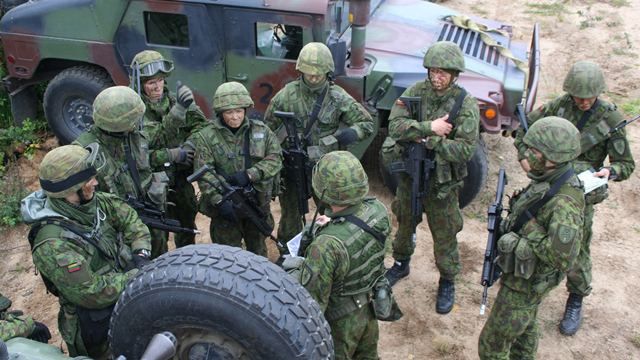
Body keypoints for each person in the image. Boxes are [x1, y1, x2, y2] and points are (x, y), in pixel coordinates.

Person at [513, 61, 635, 335]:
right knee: (529, 231)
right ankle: (527, 284)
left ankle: (576, 296)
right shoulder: (559, 106)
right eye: (578, 96)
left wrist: (609, 171)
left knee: (575, 249)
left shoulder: (610, 121)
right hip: (544, 188)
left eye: (588, 97)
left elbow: (625, 164)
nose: (582, 102)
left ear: (598, 93)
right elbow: (526, 128)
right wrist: (524, 156)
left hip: (579, 196)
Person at [20, 144, 152, 358]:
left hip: (126, 297)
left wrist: (141, 254)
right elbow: (91, 293)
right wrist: (138, 276)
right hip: (96, 325)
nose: (95, 183)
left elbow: (130, 221)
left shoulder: (94, 202)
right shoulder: (53, 244)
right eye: (88, 180)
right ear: (69, 190)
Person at [384, 41, 479, 314]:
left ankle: (447, 279)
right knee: (404, 222)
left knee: (445, 234)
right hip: (410, 178)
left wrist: (430, 142)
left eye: (443, 73)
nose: (436, 78)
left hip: (442, 186)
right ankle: (401, 263)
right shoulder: (416, 92)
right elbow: (394, 126)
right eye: (433, 71)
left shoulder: (465, 103)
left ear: (454, 75)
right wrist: (429, 128)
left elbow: (464, 151)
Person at [478, 117, 585, 359]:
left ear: (553, 157)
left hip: (526, 284)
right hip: (524, 276)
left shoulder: (564, 203)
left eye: (535, 151)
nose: (529, 155)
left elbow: (562, 258)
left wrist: (531, 229)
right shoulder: (552, 177)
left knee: (491, 346)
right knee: (525, 331)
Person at [264, 42, 374, 245]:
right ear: (300, 71)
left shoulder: (337, 97)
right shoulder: (287, 95)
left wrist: (350, 133)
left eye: (318, 74)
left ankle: (330, 248)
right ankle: (289, 251)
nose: (313, 78)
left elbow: (366, 123)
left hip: (326, 168)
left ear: (328, 72)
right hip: (293, 167)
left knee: (331, 213)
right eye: (308, 73)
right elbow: (267, 129)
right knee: (290, 215)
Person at [297, 151, 394, 360]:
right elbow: (356, 232)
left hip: (340, 323)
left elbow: (312, 307)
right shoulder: (378, 210)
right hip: (369, 308)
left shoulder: (325, 246)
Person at [74, 86, 184, 258]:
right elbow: (79, 203)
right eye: (133, 119)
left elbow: (161, 133)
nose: (138, 122)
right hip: (120, 233)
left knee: (160, 258)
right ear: (118, 123)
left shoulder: (134, 134)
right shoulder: (85, 153)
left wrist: (178, 113)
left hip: (151, 214)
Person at [189, 82, 282, 257]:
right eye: (229, 112)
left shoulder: (261, 131)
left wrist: (250, 174)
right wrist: (220, 201)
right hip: (226, 210)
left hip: (256, 204)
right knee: (227, 258)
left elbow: (276, 158)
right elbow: (204, 173)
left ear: (245, 110)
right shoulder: (207, 137)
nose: (234, 117)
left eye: (238, 111)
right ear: (220, 113)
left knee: (258, 255)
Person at [130, 50, 207, 249]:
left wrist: (190, 145)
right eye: (150, 83)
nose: (157, 87)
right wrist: (172, 154)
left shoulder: (174, 101)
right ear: (140, 84)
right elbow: (144, 151)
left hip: (180, 178)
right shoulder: (133, 112)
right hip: (150, 184)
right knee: (156, 235)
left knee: (186, 223)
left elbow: (203, 127)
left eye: (160, 80)